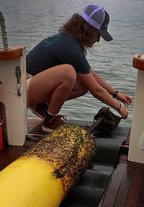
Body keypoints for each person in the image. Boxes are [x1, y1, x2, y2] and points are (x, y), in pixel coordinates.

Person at [26, 4, 133, 132]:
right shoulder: (70, 47)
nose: (98, 40)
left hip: (29, 85)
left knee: (83, 84)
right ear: (90, 29)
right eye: (99, 34)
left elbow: (90, 75)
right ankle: (49, 121)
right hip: (21, 89)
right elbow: (96, 90)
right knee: (68, 72)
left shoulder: (70, 41)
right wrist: (119, 107)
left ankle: (42, 108)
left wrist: (116, 94)